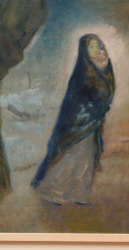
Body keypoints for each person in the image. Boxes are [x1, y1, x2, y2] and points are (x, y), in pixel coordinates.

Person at [31, 34, 115, 206]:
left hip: (92, 122)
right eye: (92, 47)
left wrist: (104, 66)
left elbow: (106, 93)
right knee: (70, 157)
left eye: (98, 45)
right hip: (77, 123)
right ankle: (51, 190)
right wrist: (88, 114)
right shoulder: (82, 72)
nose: (97, 50)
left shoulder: (103, 68)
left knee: (86, 158)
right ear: (85, 51)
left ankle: (79, 193)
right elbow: (76, 101)